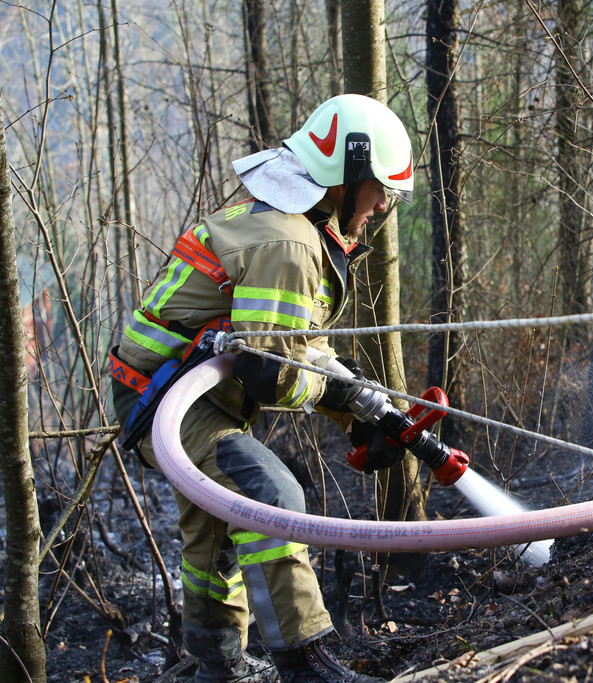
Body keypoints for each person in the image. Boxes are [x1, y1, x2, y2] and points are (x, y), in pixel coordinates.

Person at [109, 94, 432, 683]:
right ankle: (306, 663)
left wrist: (362, 415)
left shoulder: (293, 225)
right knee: (269, 496)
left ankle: (218, 665)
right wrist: (343, 400)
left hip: (181, 393)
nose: (384, 203)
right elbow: (270, 372)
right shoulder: (288, 243)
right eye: (380, 187)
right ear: (346, 176)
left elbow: (301, 347)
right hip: (168, 400)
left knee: (214, 526)